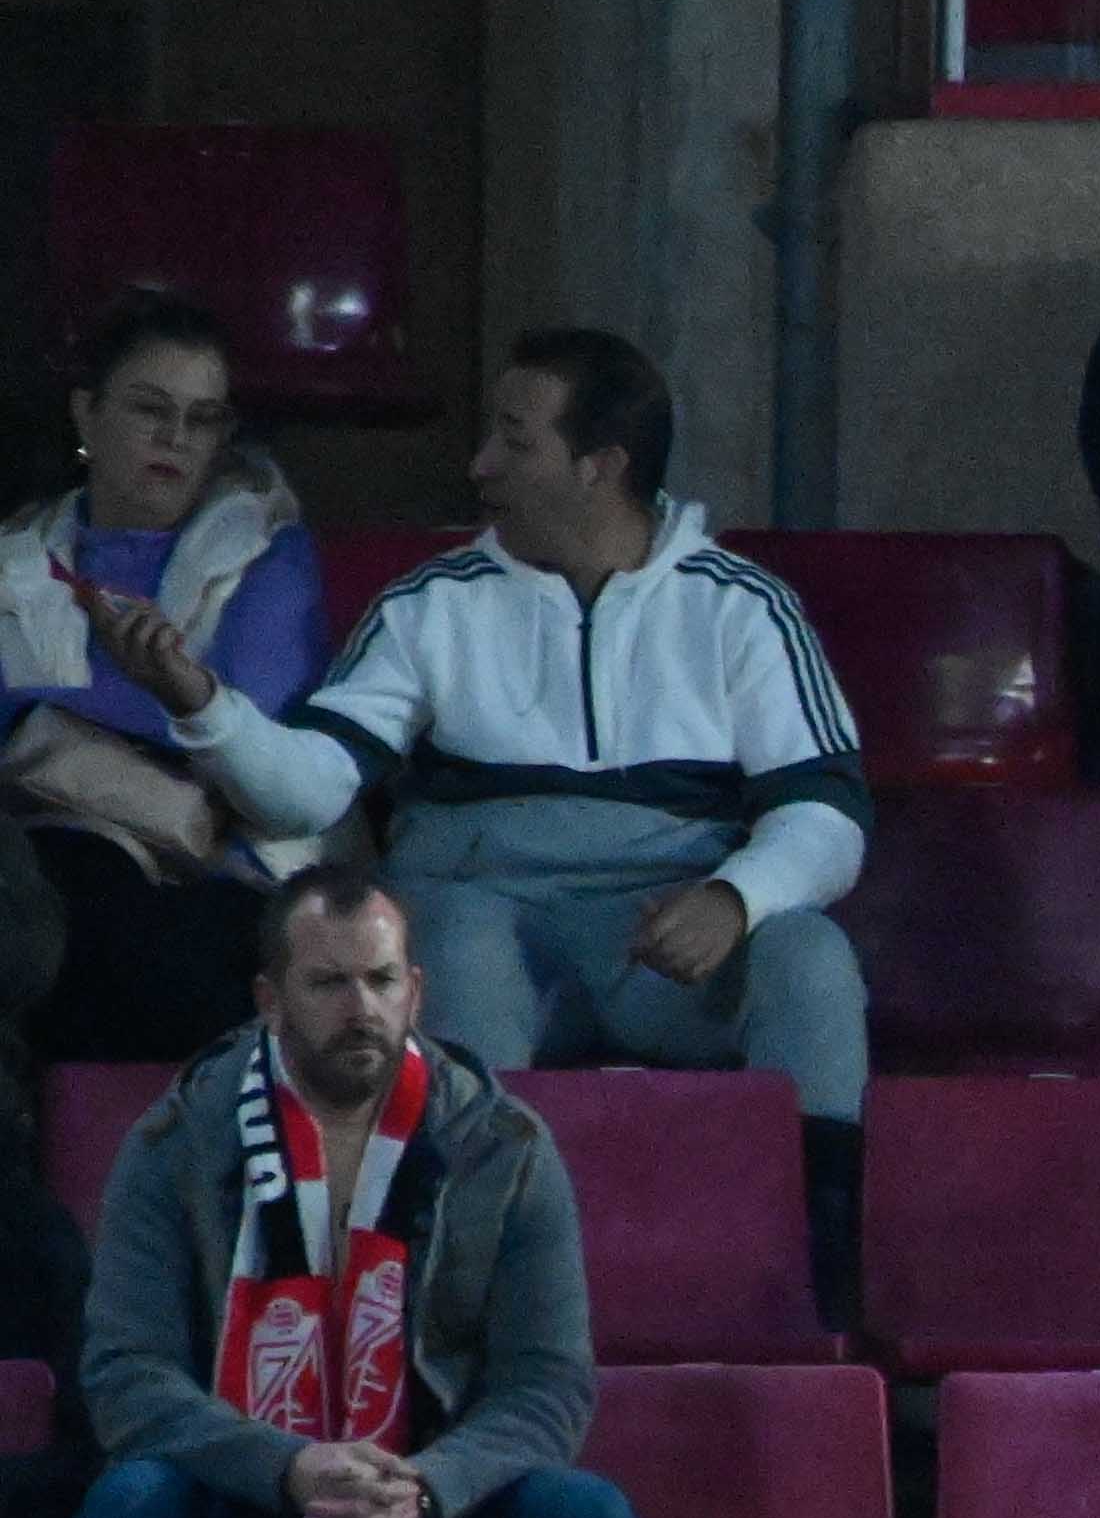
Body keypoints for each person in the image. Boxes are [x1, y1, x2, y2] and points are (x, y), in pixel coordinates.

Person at [167, 333, 869, 1153]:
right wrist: (206, 707)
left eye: (514, 439)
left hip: (671, 937)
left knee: (808, 955)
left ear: (597, 466)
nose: (481, 466)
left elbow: (827, 813)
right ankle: (463, 1237)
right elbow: (313, 790)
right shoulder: (431, 604)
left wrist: (734, 898)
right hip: (480, 914)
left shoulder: (743, 608)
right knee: (450, 940)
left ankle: (819, 1237)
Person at [67, 863, 650, 1518]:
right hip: (245, 1500)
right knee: (129, 1507)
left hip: (429, 1506)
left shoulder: (504, 1146)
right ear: (269, 1000)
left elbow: (548, 1385)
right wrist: (285, 1468)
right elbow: (127, 1377)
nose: (362, 1011)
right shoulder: (175, 1143)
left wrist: (430, 1486)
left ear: (416, 989)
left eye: (380, 981)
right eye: (329, 984)